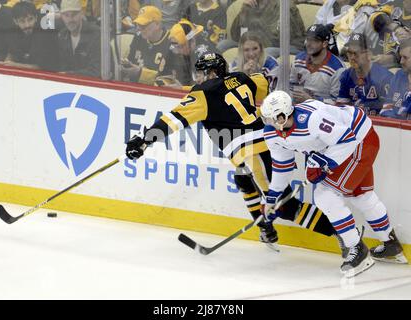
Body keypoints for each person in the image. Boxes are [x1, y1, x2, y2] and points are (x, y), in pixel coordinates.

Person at [125, 52, 344, 251]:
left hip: (254, 153)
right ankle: (266, 228)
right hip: (265, 144)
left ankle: (344, 235)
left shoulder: (202, 94)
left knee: (285, 206)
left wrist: (144, 140)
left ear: (212, 72)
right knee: (243, 179)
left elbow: (172, 121)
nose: (198, 78)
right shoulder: (242, 78)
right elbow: (265, 83)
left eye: (201, 73)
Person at [260, 90, 407, 277]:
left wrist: (324, 162)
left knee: (324, 196)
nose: (268, 124)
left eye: (270, 119)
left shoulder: (312, 120)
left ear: (282, 116)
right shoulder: (272, 133)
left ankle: (357, 249)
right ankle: (391, 246)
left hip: (359, 139)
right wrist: (273, 197)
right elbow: (282, 166)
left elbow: (347, 139)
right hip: (345, 144)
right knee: (362, 197)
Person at [220, 0, 306, 56]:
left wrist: (254, 45)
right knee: (223, 44)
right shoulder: (250, 5)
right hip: (257, 45)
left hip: (290, 47)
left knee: (267, 52)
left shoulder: (284, 6)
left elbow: (278, 39)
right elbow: (236, 37)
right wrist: (243, 13)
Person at [337, 33, 393, 115]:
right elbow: (341, 107)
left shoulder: (385, 77)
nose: (352, 57)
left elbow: (389, 111)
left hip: (378, 124)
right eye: (349, 53)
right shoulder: (346, 75)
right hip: (354, 122)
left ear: (369, 55)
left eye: (356, 53)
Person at [290, 24, 346, 105]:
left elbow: (338, 103)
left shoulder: (337, 68)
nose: (309, 44)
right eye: (308, 39)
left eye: (314, 41)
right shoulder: (298, 59)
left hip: (323, 113)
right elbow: (290, 86)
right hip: (298, 108)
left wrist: (312, 100)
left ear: (325, 44)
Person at [0, 1, 59, 71]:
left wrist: (16, 65)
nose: (27, 25)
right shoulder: (14, 32)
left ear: (36, 18)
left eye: (30, 19)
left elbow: (45, 68)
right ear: (15, 22)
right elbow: (13, 52)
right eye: (22, 21)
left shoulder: (45, 34)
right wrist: (5, 64)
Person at [121, 5, 175, 85]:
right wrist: (127, 65)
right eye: (138, 24)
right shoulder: (138, 37)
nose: (139, 28)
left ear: (157, 24)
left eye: (144, 25)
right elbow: (131, 60)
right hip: (135, 88)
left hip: (159, 94)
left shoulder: (172, 42)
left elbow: (170, 79)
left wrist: (141, 73)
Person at [57, 0, 101, 77]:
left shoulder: (96, 34)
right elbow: (61, 66)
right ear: (61, 16)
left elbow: (97, 71)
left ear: (81, 13)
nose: (70, 20)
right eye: (66, 15)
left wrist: (68, 75)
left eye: (74, 15)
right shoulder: (62, 35)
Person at [380, 39, 411, 119]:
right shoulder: (399, 75)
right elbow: (386, 108)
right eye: (401, 57)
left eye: (405, 58)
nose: (401, 61)